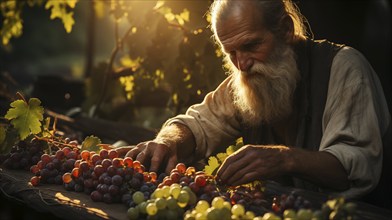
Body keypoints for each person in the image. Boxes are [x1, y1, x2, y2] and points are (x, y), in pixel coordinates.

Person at [117, 0, 391, 206]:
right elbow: (198, 123)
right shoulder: (248, 78)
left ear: (285, 29)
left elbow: (355, 168)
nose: (242, 64)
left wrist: (285, 158)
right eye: (231, 53)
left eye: (250, 46)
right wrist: (168, 141)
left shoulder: (344, 69)